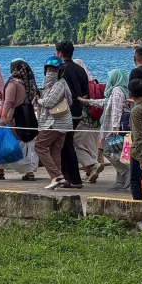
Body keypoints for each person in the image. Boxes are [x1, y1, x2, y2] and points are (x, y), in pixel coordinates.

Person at [79, 69, 130, 188]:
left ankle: (127, 172)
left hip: (112, 129)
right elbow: (105, 102)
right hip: (112, 128)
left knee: (108, 151)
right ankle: (120, 181)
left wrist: (115, 127)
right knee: (117, 153)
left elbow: (117, 109)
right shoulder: (120, 90)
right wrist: (88, 101)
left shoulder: (117, 91)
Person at [0, 59, 39, 181]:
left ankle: (28, 172)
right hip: (25, 117)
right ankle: (0, 170)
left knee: (12, 143)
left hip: (13, 118)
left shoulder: (13, 84)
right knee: (13, 142)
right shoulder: (26, 83)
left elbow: (8, 102)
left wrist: (3, 117)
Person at [34, 56, 73, 190]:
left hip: (55, 123)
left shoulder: (58, 85)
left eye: (54, 70)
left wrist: (38, 100)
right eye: (49, 69)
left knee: (39, 145)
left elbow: (49, 102)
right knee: (55, 150)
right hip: (62, 123)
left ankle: (57, 176)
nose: (50, 72)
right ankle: (57, 179)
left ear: (60, 71)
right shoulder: (57, 84)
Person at [55, 41, 86, 187]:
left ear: (60, 53)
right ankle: (67, 177)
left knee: (65, 144)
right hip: (77, 110)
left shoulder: (60, 69)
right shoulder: (80, 69)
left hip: (64, 110)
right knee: (67, 142)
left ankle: (72, 179)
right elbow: (85, 92)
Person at [70, 57, 101, 181]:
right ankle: (90, 173)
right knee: (91, 145)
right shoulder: (93, 82)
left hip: (83, 118)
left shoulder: (77, 83)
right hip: (96, 117)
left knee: (74, 143)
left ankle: (91, 164)